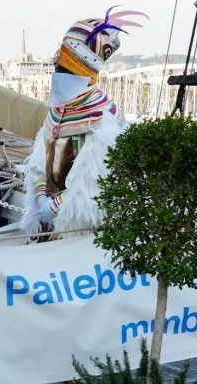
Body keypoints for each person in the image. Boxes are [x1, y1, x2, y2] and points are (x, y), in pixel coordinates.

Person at [20, 7, 147, 236]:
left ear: (78, 70)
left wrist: (54, 207)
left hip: (81, 233)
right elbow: (40, 160)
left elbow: (94, 184)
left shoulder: (102, 117)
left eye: (63, 68)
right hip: (48, 226)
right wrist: (40, 198)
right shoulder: (57, 111)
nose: (56, 70)